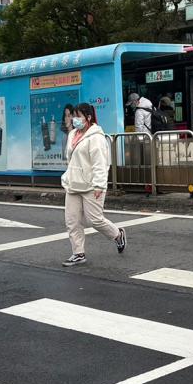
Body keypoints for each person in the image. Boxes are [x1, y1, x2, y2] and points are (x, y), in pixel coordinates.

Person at [62, 103, 126, 266]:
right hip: (73, 183)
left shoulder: (96, 137)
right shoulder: (72, 135)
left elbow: (100, 163)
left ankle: (117, 235)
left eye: (78, 116)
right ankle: (78, 253)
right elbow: (70, 160)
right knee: (72, 220)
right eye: (74, 116)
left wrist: (99, 185)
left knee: (95, 220)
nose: (75, 120)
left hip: (91, 185)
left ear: (88, 118)